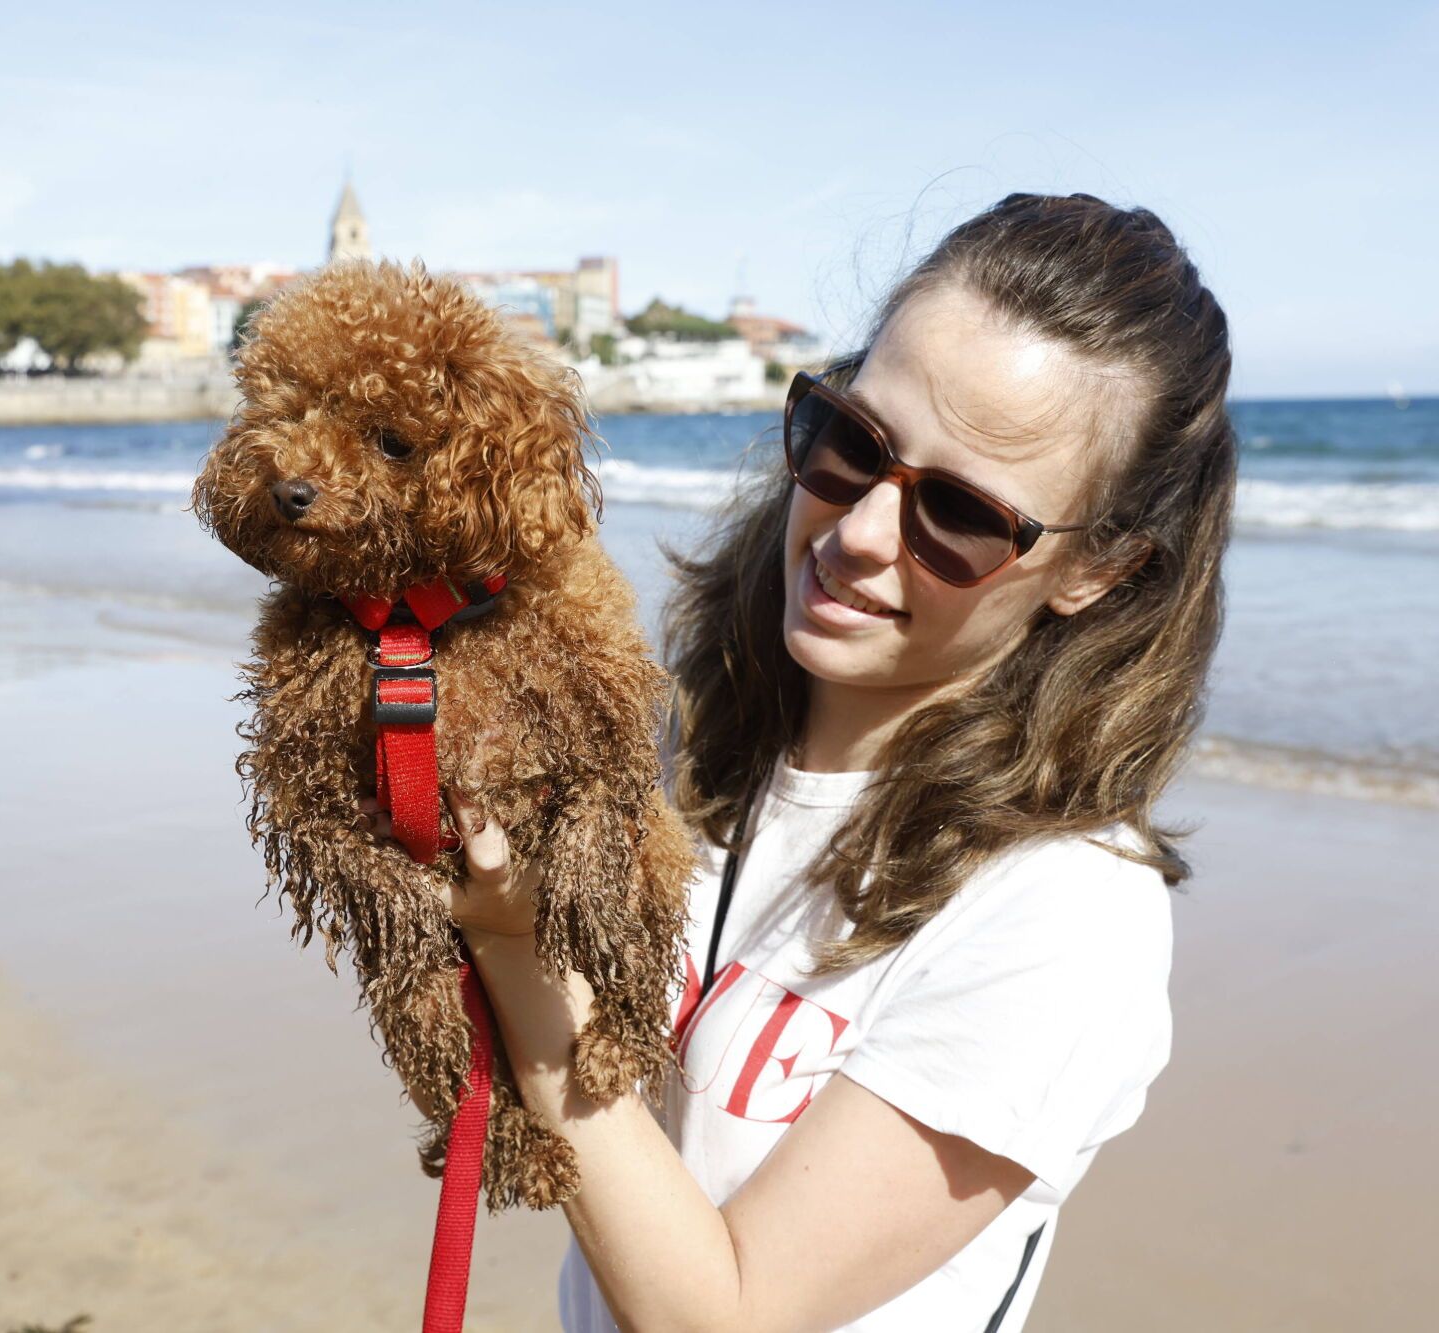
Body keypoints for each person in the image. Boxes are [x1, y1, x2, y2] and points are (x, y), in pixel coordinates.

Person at [382, 192, 1237, 1331]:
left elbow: (719, 1313)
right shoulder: (684, 744)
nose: (858, 534)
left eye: (962, 516)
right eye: (851, 443)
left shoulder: (1063, 913)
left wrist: (518, 956)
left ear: (1103, 572)